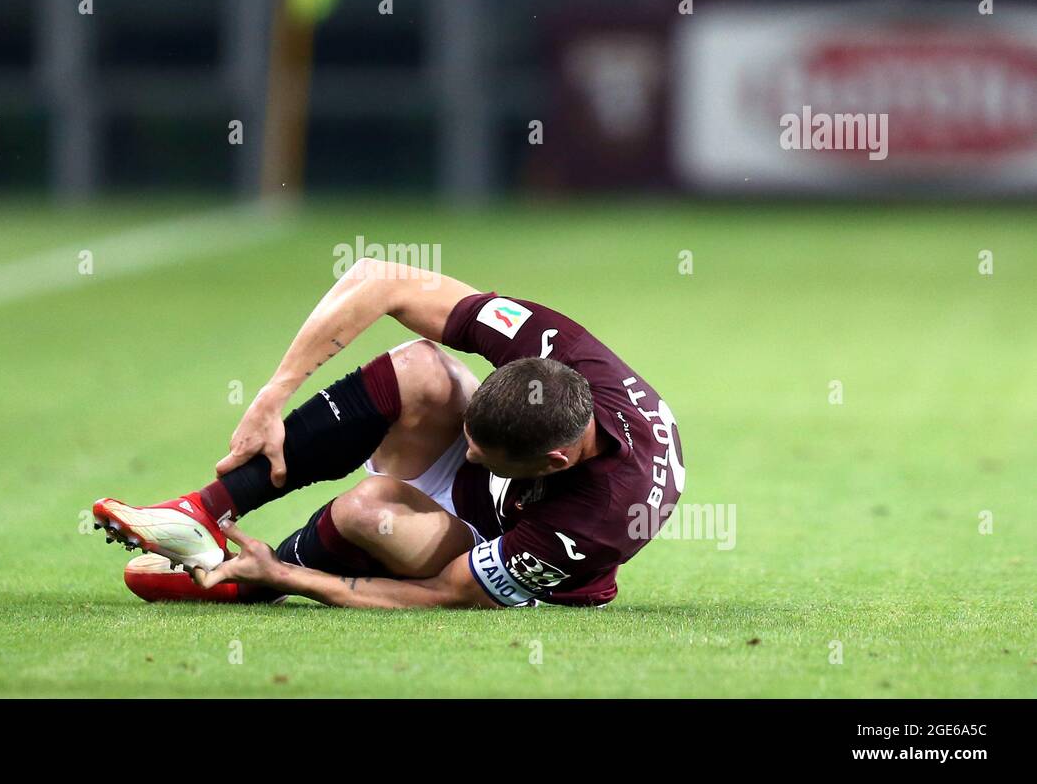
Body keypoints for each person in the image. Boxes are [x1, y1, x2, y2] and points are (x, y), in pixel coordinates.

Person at [94, 257, 685, 609]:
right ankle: (205, 510)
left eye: (484, 452)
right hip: (512, 491)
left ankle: (252, 580)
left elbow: (447, 595)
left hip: (505, 542)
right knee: (422, 368)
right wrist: (273, 395)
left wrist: (288, 577)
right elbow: (382, 278)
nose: (468, 452)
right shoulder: (564, 355)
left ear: (554, 461)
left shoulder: (598, 518)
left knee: (365, 509)